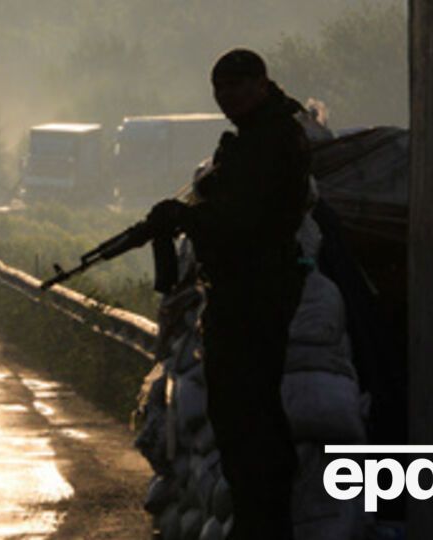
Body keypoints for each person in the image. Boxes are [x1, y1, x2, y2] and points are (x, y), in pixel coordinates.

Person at [142, 49, 311, 539]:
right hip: (250, 289)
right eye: (219, 89)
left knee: (246, 416)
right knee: (243, 415)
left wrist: (184, 220)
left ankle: (264, 522)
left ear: (260, 84)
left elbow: (241, 222)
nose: (226, 98)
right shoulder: (263, 135)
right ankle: (260, 517)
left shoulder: (270, 140)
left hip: (253, 293)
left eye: (236, 86)